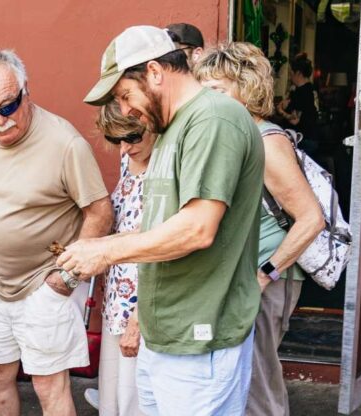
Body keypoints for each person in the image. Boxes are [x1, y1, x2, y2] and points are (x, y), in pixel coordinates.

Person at [63, 25, 265, 415]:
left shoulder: (213, 119)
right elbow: (164, 226)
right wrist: (98, 248)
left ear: (155, 72)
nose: (125, 110)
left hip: (200, 342)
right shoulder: (173, 126)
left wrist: (106, 252)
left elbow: (197, 228)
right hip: (167, 338)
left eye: (125, 95)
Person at [0, 49, 113, 416]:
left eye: (8, 107)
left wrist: (65, 279)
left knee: (49, 384)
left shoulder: (65, 143)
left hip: (44, 286)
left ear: (25, 90)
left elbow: (100, 212)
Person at [194, 42, 324, 416]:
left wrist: (265, 274)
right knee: (240, 378)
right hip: (243, 276)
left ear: (247, 88)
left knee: (257, 381)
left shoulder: (267, 141)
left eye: (216, 90)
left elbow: (311, 219)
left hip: (266, 277)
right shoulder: (234, 134)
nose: (207, 100)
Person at [82, 101, 152, 416]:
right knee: (112, 397)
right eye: (117, 140)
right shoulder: (129, 159)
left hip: (141, 301)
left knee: (135, 399)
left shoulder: (165, 168)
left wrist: (138, 318)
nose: (124, 148)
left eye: (132, 138)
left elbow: (159, 244)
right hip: (116, 299)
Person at [277, 53, 319, 157]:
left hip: (304, 139)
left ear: (298, 73)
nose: (290, 76)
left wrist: (281, 111)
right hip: (308, 137)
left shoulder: (303, 92)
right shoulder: (308, 89)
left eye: (291, 73)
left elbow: (294, 120)